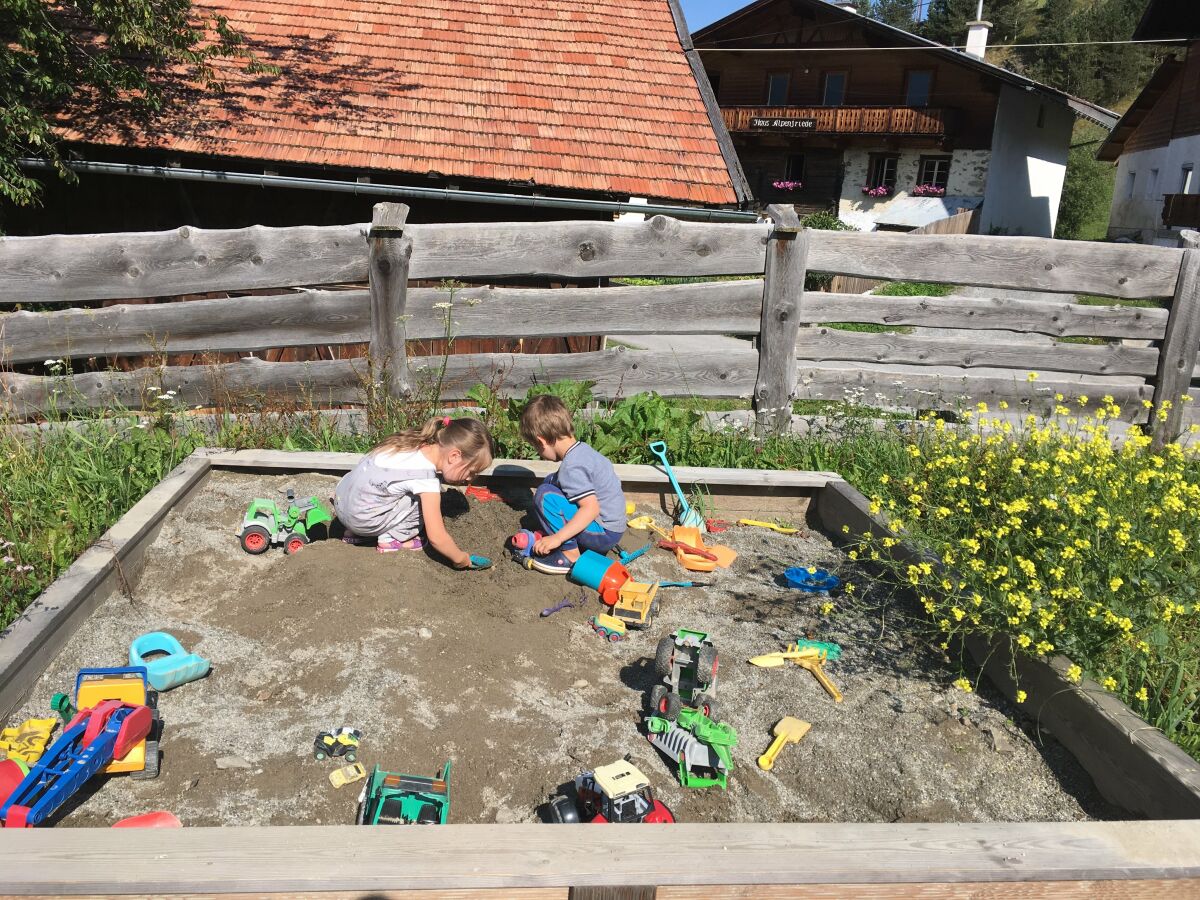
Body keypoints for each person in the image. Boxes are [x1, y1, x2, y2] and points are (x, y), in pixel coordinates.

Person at [334, 416, 493, 568]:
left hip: (343, 507)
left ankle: (355, 534)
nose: (469, 479)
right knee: (426, 497)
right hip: (363, 522)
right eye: (471, 471)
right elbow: (437, 538)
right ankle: (391, 540)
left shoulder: (408, 443)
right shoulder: (425, 478)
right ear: (454, 456)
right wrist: (461, 559)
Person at [518, 394, 626, 574]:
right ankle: (568, 537)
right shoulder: (583, 452)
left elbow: (590, 509)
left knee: (545, 496)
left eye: (536, 448)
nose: (538, 453)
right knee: (551, 481)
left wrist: (558, 538)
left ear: (541, 441)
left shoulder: (571, 467)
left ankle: (570, 554)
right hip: (614, 528)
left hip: (603, 533)